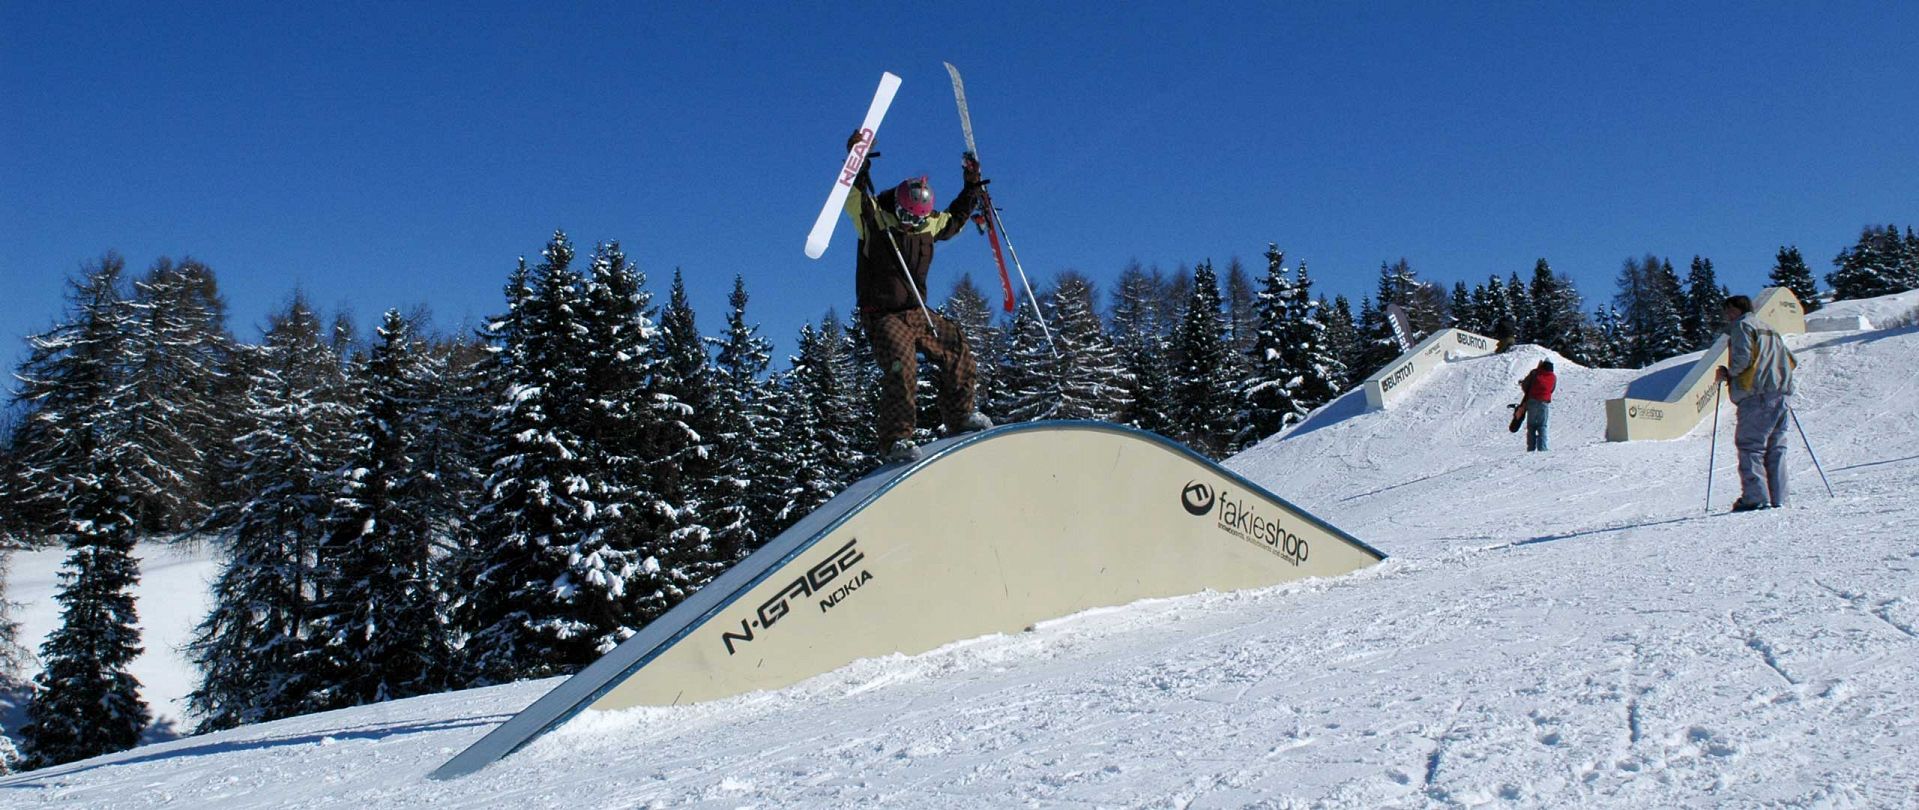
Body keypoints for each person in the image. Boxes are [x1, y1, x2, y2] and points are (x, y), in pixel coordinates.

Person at [844, 131, 994, 464]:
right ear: (898, 206)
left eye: (919, 219)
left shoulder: (926, 224)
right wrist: (857, 160)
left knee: (954, 343)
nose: (913, 225)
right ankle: (896, 440)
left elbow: (953, 221)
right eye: (908, 217)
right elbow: (851, 194)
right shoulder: (873, 217)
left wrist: (971, 187)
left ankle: (960, 417)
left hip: (914, 311)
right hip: (881, 312)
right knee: (902, 363)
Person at [1715, 294, 1797, 511]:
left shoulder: (1742, 326)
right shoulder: (1769, 329)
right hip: (1781, 394)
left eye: (1728, 310)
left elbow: (1742, 358)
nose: (1726, 315)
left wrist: (1728, 373)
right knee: (1776, 448)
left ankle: (1755, 497)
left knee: (1751, 446)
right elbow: (1791, 360)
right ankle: (1780, 497)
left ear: (1736, 309)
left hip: (1756, 394)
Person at [1519, 360, 1555, 451]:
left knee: (1531, 426)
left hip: (1532, 401)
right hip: (1544, 402)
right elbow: (1552, 389)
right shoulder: (1553, 377)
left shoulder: (1535, 373)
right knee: (1542, 425)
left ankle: (1531, 448)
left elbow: (1525, 385)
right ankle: (1542, 448)